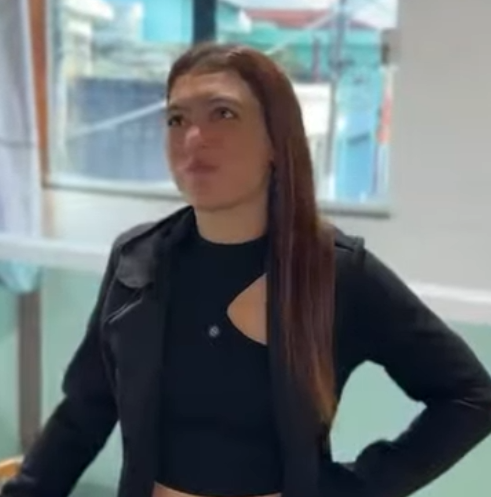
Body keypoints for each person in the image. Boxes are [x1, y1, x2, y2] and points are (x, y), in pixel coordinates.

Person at [3, 42, 491, 497]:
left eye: (223, 113)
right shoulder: (137, 261)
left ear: (276, 140)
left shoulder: (336, 272)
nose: (193, 137)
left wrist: (353, 489)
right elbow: (84, 411)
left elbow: (470, 396)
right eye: (176, 118)